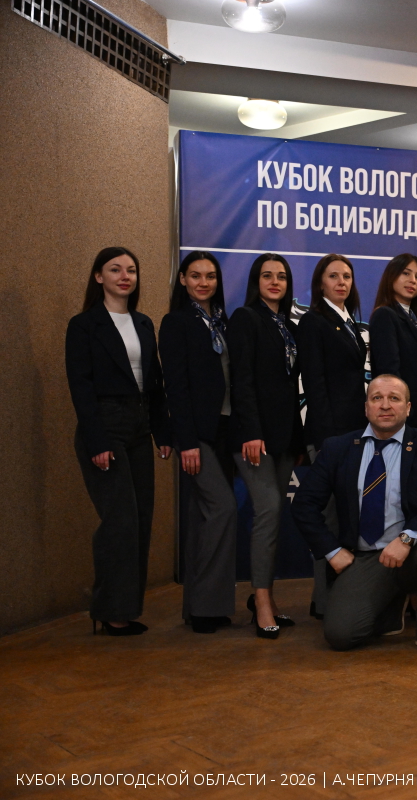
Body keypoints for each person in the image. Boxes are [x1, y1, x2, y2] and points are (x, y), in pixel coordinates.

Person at [292, 375, 417, 653]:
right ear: (366, 407)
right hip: (364, 557)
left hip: (412, 548)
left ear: (408, 408)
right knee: (340, 635)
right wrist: (332, 551)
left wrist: (407, 538)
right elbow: (304, 505)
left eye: (394, 398)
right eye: (377, 398)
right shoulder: (337, 447)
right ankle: (391, 606)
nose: (385, 405)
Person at [66, 247, 171, 636]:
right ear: (99, 277)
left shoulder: (143, 323)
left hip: (140, 427)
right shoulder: (84, 325)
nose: (125, 276)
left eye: (131, 270)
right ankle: (109, 609)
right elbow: (81, 387)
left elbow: (154, 382)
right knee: (120, 520)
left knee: (141, 519)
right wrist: (96, 442)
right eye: (115, 269)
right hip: (105, 427)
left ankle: (126, 608)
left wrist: (162, 432)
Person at [159, 250, 237, 634]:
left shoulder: (221, 321)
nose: (203, 282)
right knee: (223, 509)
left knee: (202, 518)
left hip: (225, 431)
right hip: (197, 435)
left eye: (210, 276)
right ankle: (207, 607)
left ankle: (200, 607)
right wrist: (186, 441)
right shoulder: (176, 322)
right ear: (183, 280)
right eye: (195, 275)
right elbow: (175, 386)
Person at [227, 253, 304, 639]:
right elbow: (241, 379)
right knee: (269, 508)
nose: (275, 282)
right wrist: (251, 432)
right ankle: (260, 601)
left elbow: (290, 386)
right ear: (256, 281)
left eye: (282, 276)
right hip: (254, 437)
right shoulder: (246, 318)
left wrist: (297, 439)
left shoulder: (287, 325)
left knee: (273, 516)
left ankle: (267, 597)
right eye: (267, 275)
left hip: (285, 437)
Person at [297, 253, 368, 620]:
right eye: (334, 276)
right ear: (320, 283)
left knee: (345, 518)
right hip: (330, 435)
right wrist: (327, 440)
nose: (342, 282)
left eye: (347, 276)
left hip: (353, 432)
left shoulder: (347, 321)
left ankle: (337, 597)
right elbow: (315, 383)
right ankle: (324, 603)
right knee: (328, 520)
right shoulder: (314, 321)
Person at [368, 254, 417, 431]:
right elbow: (389, 371)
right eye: (406, 273)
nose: (413, 280)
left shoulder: (414, 319)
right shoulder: (385, 314)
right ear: (391, 276)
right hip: (403, 418)